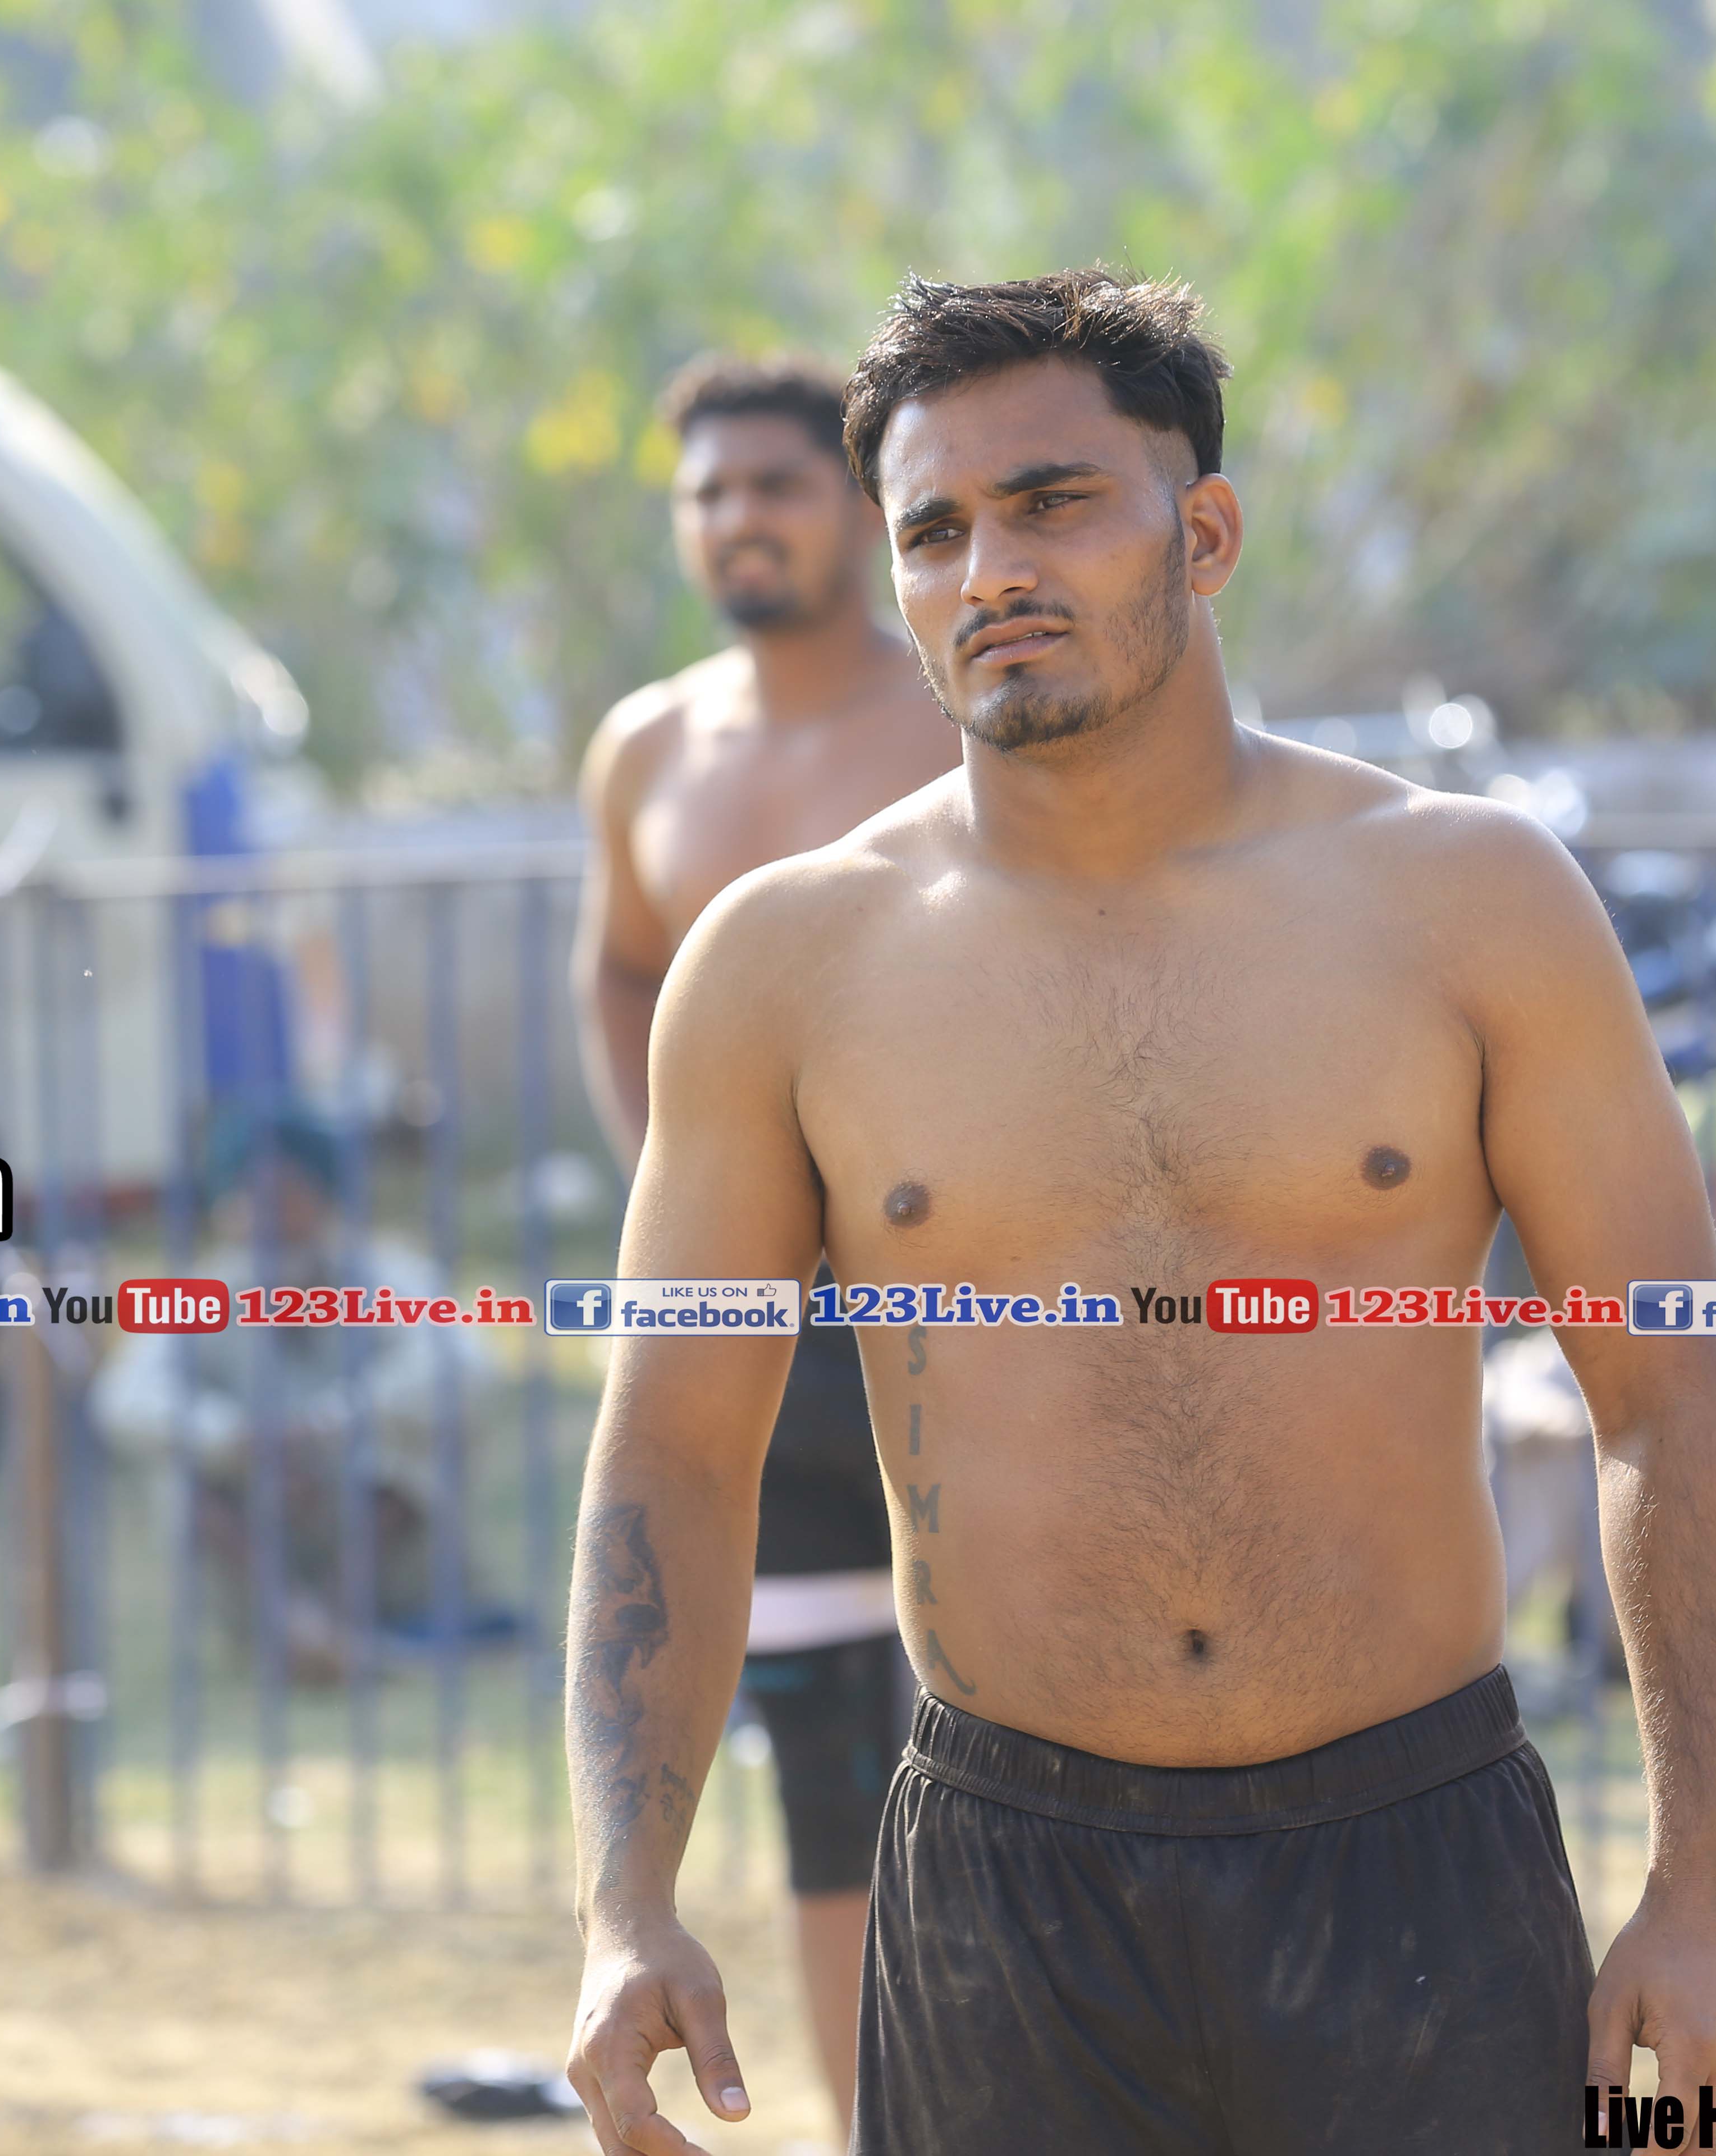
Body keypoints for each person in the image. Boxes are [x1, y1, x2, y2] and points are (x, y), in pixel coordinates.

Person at [560, 268, 1716, 2156]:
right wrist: (625, 1905)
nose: (992, 573)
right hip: (1005, 1880)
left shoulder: (1470, 902)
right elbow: (672, 1452)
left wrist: (1704, 1897)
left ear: (1203, 532)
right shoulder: (785, 965)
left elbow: (1668, 1401)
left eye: (1054, 504)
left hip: (1415, 1852)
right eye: (935, 532)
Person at [567, 354, 959, 2140]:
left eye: (777, 486)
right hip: (760, 1353)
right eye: (708, 493)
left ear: (860, 511)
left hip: (977, 1326)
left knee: (1029, 1750)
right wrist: (685, 1197)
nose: (741, 520)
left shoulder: (961, 714)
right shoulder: (648, 747)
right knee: (829, 1785)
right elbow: (619, 968)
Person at [91, 1105, 503, 1679]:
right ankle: (294, 1623)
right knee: (178, 1478)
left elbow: (468, 1368)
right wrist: (235, 1438)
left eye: (287, 1192)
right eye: (248, 1194)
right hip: (261, 1521)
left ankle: (336, 1622)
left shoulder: (386, 1274)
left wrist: (332, 1426)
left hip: (377, 1532)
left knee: (422, 1446)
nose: (267, 1213)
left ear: (326, 1196)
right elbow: (124, 1398)